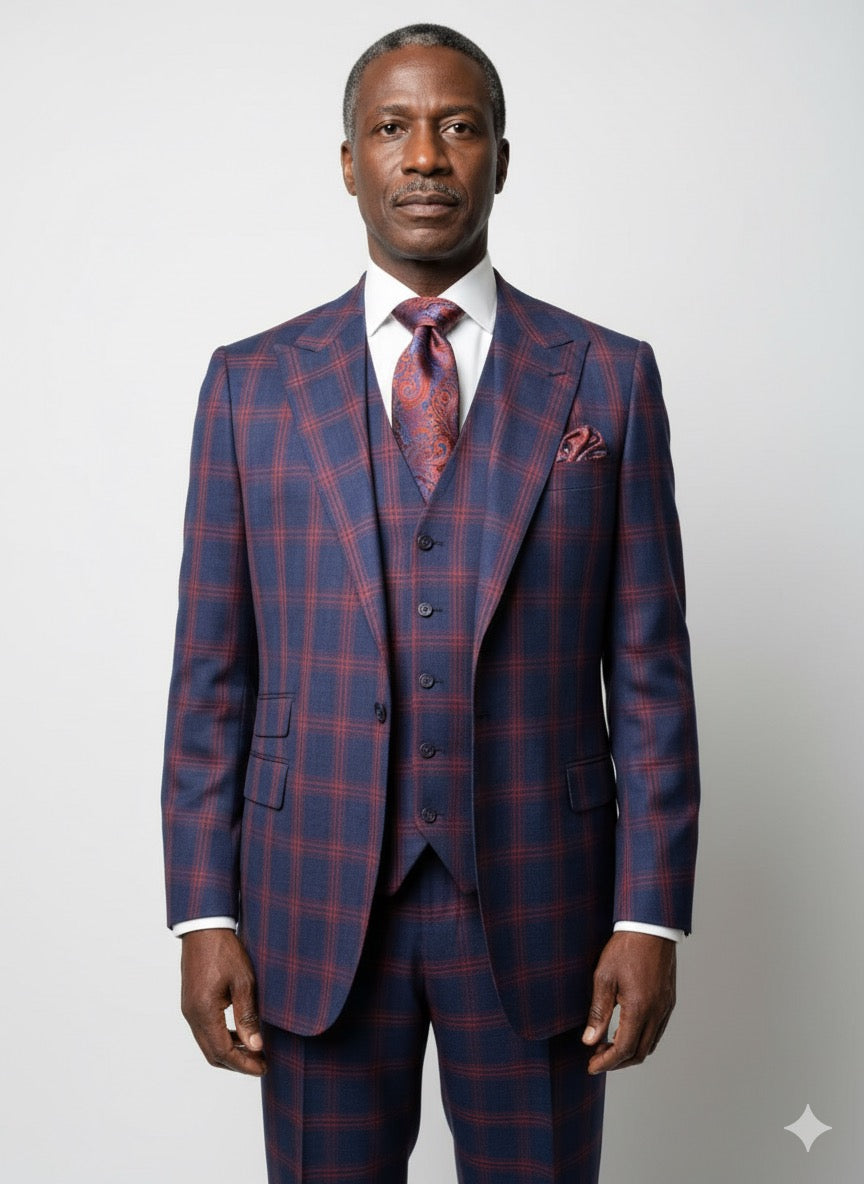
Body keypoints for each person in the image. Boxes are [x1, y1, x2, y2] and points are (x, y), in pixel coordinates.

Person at [161, 23, 700, 1183]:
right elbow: (211, 677)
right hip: (311, 907)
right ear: (348, 161)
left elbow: (651, 673)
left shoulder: (607, 376)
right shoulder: (251, 386)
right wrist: (202, 910)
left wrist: (649, 917)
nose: (425, 157)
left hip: (546, 906)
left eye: (458, 127)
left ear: (501, 157)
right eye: (392, 128)